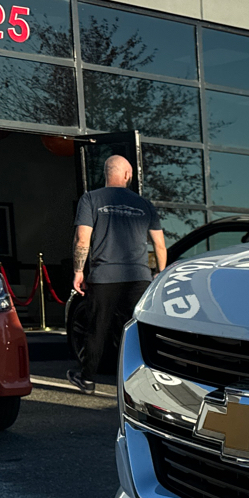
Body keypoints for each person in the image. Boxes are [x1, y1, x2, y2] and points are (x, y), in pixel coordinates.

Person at [66, 155, 167, 394]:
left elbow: (83, 238)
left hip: (104, 277)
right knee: (135, 332)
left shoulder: (90, 199)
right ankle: (144, 387)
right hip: (138, 277)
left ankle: (88, 379)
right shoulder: (144, 204)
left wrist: (78, 271)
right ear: (127, 175)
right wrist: (160, 274)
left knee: (97, 328)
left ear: (106, 173)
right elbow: (160, 245)